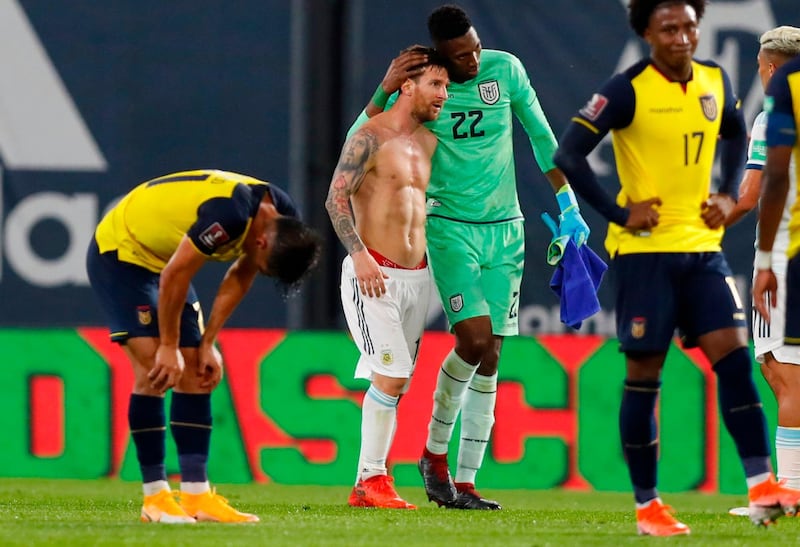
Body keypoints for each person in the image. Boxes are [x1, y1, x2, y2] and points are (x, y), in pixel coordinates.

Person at [553, 0, 800, 536]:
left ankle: (762, 486)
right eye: (669, 28)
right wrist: (620, 212)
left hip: (702, 249)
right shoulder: (625, 89)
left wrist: (724, 190)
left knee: (735, 359)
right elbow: (567, 155)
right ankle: (648, 506)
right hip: (644, 256)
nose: (682, 36)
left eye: (689, 25)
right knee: (645, 376)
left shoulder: (714, 78)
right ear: (646, 32)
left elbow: (736, 131)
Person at [351, 3, 590, 510]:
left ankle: (464, 480)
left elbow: (541, 136)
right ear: (442, 57)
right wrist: (383, 87)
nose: (475, 61)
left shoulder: (505, 69)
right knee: (475, 340)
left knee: (492, 358)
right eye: (462, 56)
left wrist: (567, 202)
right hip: (448, 229)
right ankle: (433, 459)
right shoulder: (424, 86)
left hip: (507, 231)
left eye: (477, 48)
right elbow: (360, 140)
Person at [86, 169, 321, 523]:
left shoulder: (283, 221)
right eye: (263, 266)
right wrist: (168, 345)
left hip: (164, 260)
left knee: (195, 371)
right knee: (156, 370)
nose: (258, 270)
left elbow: (240, 275)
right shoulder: (228, 216)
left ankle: (196, 496)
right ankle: (155, 498)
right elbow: (176, 275)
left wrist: (208, 341)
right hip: (123, 252)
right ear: (260, 244)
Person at [327, 46, 449, 509]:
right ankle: (372, 479)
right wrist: (359, 256)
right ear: (407, 87)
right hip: (373, 274)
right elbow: (335, 198)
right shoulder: (369, 138)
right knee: (392, 375)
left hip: (419, 279)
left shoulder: (431, 142)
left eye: (447, 85)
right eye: (435, 84)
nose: (444, 94)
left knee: (396, 381)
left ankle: (368, 482)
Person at [725, 27, 800, 504]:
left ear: (770, 68)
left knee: (782, 372)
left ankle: (788, 492)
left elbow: (752, 195)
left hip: (786, 255)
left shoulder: (775, 112)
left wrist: (702, 226)